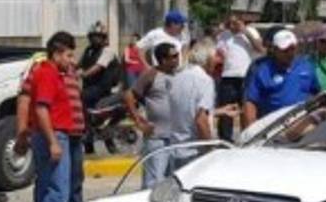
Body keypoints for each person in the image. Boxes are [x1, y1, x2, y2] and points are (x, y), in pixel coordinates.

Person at [21, 32, 80, 202]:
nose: (71, 60)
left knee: (48, 189)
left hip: (49, 135)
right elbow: (41, 109)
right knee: (59, 192)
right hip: (53, 135)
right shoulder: (46, 74)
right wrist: (53, 142)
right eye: (68, 55)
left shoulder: (53, 73)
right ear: (56, 53)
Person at [169, 41, 236, 173]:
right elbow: (200, 120)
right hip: (194, 152)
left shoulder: (178, 77)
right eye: (215, 56)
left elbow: (188, 109)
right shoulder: (205, 80)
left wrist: (219, 111)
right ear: (207, 59)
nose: (218, 61)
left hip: (176, 149)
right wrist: (210, 149)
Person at [125, 41, 181, 189]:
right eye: (173, 56)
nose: (177, 59)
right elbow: (129, 96)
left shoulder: (181, 75)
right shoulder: (151, 75)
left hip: (176, 138)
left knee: (173, 181)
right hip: (157, 138)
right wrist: (139, 121)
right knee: (154, 181)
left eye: (177, 55)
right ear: (163, 60)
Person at [243, 29, 318, 126]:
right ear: (275, 49)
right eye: (285, 50)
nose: (290, 53)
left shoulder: (306, 66)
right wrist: (251, 128)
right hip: (273, 128)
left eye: (293, 49)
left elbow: (316, 93)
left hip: (302, 124)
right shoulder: (262, 71)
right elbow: (251, 102)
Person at [214, 15, 264, 141]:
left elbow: (261, 49)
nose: (232, 26)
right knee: (226, 113)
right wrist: (220, 29)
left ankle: (247, 138)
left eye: (235, 23)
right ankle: (225, 140)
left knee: (246, 110)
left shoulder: (250, 32)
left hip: (245, 76)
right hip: (227, 77)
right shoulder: (223, 35)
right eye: (230, 23)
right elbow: (217, 48)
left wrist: (245, 32)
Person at [80, 22, 121, 153]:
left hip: (104, 88)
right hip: (92, 88)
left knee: (79, 98)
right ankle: (89, 146)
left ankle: (87, 134)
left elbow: (99, 67)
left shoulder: (108, 51)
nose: (95, 39)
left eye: (98, 36)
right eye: (92, 36)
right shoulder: (88, 51)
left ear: (104, 38)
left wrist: (84, 74)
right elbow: (79, 65)